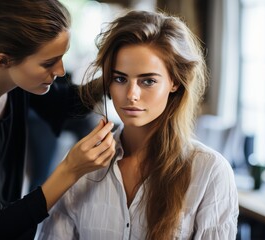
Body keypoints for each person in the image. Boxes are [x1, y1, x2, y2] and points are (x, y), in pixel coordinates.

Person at [39, 10, 239, 240]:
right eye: (120, 79)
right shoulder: (81, 167)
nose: (131, 95)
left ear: (174, 82)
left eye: (148, 81)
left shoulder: (210, 173)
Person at [0, 0, 116, 239]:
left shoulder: (18, 83)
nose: (60, 71)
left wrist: (112, 76)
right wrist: (70, 169)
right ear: (2, 60)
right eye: (48, 63)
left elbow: (67, 104)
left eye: (61, 57)